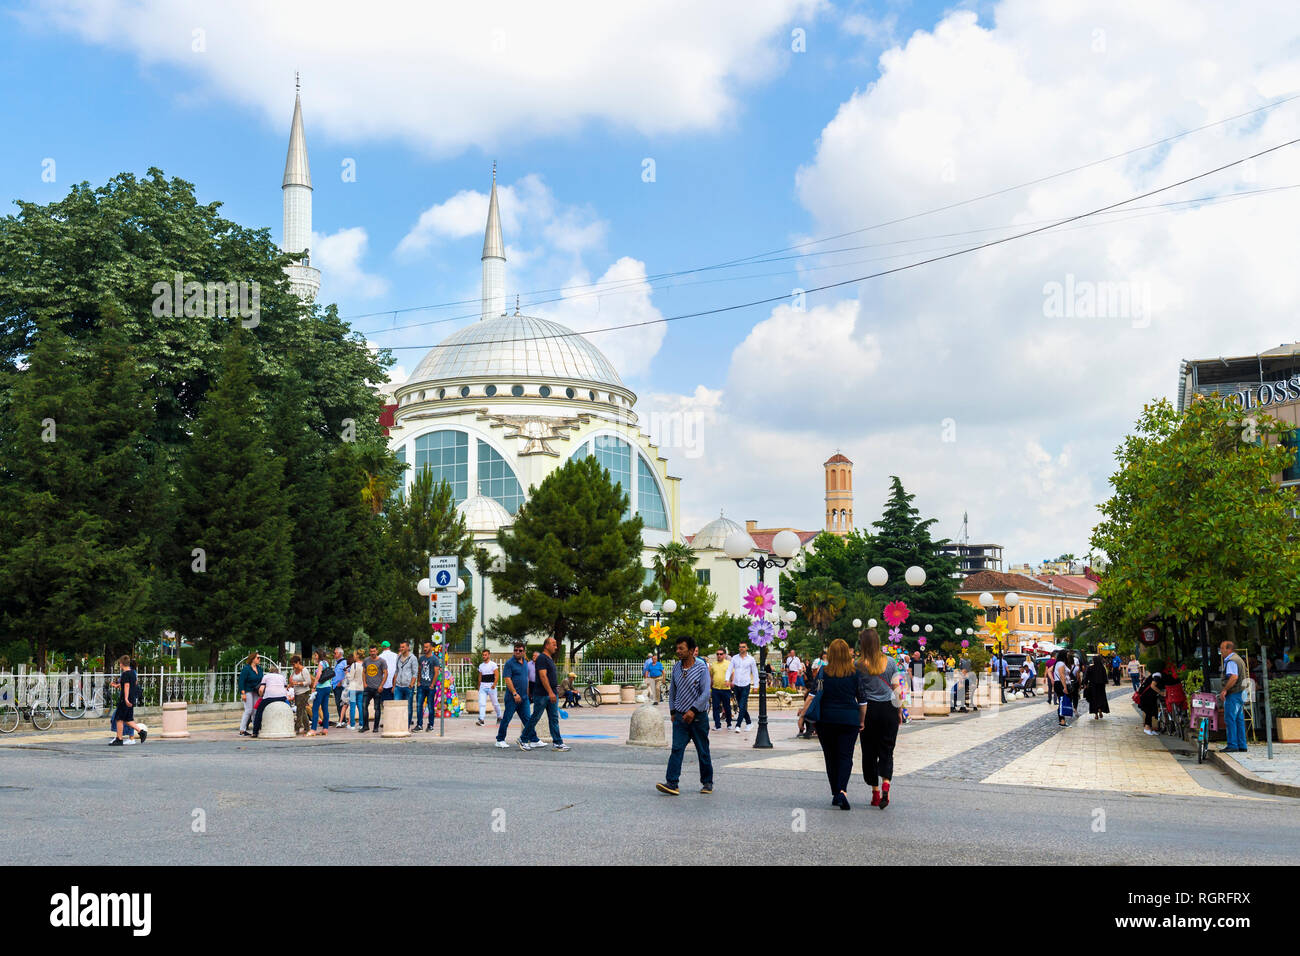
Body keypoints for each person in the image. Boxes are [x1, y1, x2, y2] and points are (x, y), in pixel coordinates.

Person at [800, 638, 865, 809]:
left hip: (826, 720)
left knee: (830, 757)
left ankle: (835, 792)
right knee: (845, 756)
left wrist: (803, 714)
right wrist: (862, 720)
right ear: (846, 653)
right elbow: (862, 699)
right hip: (849, 719)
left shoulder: (823, 672)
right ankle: (842, 790)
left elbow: (814, 693)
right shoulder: (855, 673)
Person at [656, 634, 714, 796]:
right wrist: (673, 711)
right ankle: (672, 783)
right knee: (676, 749)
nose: (678, 651)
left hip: (698, 717)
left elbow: (705, 693)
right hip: (681, 717)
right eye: (677, 648)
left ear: (691, 650)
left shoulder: (702, 668)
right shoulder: (676, 667)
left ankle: (707, 782)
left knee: (703, 750)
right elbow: (673, 691)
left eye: (681, 648)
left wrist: (693, 710)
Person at [857, 629, 902, 809]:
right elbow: (897, 688)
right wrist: (899, 711)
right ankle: (886, 784)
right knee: (887, 749)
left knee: (869, 751)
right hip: (889, 709)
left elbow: (857, 691)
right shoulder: (891, 662)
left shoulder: (858, 664)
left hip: (868, 711)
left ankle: (875, 792)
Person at [521, 637, 568, 751]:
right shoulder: (542, 658)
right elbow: (542, 676)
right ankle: (523, 739)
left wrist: (554, 691)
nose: (556, 647)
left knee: (553, 718)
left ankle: (557, 742)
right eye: (553, 644)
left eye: (556, 645)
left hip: (551, 693)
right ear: (546, 645)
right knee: (535, 717)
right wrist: (550, 692)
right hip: (543, 694)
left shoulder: (549, 658)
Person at [496, 642, 532, 748]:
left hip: (524, 698)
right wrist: (515, 693)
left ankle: (534, 739)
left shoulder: (525, 663)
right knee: (507, 718)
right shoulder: (509, 663)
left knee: (527, 719)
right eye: (515, 650)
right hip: (512, 697)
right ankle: (500, 739)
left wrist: (528, 694)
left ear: (524, 652)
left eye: (520, 650)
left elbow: (527, 679)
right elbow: (507, 679)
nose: (517, 652)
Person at [108, 655, 147, 746]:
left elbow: (127, 686)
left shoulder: (125, 674)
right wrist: (116, 685)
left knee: (119, 718)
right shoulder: (133, 673)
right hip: (132, 698)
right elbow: (129, 684)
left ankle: (119, 739)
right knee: (128, 719)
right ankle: (141, 732)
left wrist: (125, 698)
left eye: (119, 664)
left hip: (125, 700)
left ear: (121, 664)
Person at [1218, 640, 1248, 753]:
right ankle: (1242, 745)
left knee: (1230, 719)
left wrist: (1225, 690)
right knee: (1239, 719)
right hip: (1241, 692)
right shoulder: (1239, 659)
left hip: (1234, 693)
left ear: (1229, 649)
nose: (1221, 651)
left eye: (1222, 648)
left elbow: (1234, 677)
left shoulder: (1231, 661)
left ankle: (1232, 745)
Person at [725, 642, 758, 733]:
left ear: (747, 648)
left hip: (746, 685)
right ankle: (749, 723)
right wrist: (727, 679)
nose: (741, 649)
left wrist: (756, 685)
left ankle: (738, 725)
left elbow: (755, 673)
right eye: (740, 647)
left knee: (742, 705)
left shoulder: (751, 659)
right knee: (741, 705)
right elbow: (729, 669)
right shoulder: (734, 658)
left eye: (743, 647)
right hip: (736, 685)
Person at [251, 664, 289, 737]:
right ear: (277, 672)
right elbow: (285, 688)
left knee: (259, 711)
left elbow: (261, 689)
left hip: (269, 697)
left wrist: (261, 696)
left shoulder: (266, 676)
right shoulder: (282, 677)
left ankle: (255, 732)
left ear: (270, 671)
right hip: (282, 697)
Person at [358, 645, 387, 734]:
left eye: (374, 651)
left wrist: (381, 685)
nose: (372, 653)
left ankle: (375, 727)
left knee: (377, 708)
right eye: (371, 651)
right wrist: (364, 683)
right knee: (363, 706)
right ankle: (365, 726)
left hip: (377, 688)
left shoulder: (382, 661)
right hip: (368, 688)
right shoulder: (366, 660)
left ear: (377, 651)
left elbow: (385, 673)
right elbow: (364, 672)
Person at [393, 641, 418, 730]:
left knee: (408, 707)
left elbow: (415, 673)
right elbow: (396, 671)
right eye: (401, 647)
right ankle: (397, 725)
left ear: (408, 647)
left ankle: (406, 726)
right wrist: (394, 685)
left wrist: (411, 684)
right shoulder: (398, 657)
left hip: (408, 686)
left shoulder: (413, 658)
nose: (401, 649)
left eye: (403, 647)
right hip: (398, 686)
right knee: (397, 706)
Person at [238, 651, 264, 736]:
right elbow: (241, 681)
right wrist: (243, 693)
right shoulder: (246, 669)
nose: (259, 659)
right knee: (248, 710)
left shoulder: (259, 668)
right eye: (258, 658)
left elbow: (262, 680)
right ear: (253, 659)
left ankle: (255, 728)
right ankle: (242, 730)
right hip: (248, 691)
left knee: (255, 710)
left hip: (256, 692)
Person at [415, 642, 438, 731]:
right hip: (421, 686)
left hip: (430, 687)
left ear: (431, 648)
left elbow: (436, 673)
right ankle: (419, 725)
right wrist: (418, 681)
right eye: (424, 647)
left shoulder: (434, 659)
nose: (425, 649)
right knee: (419, 705)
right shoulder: (421, 659)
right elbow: (419, 670)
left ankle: (430, 725)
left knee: (430, 706)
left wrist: (432, 684)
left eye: (427, 647)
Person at [708, 647, 732, 730]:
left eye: (721, 654)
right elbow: (711, 676)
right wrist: (710, 686)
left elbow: (732, 674)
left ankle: (729, 723)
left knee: (727, 707)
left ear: (724, 655)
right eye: (717, 654)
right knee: (715, 707)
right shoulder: (713, 664)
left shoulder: (729, 664)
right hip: (715, 689)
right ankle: (717, 725)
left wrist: (731, 682)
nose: (719, 655)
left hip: (726, 689)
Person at [796, 657, 821, 739]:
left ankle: (809, 730)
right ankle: (808, 730)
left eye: (814, 671)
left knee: (807, 712)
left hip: (821, 712)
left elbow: (812, 697)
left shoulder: (820, 680)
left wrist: (802, 713)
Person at [310, 649, 333, 735]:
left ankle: (313, 729)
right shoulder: (326, 662)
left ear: (319, 655)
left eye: (315, 655)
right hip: (327, 687)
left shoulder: (320, 663)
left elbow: (318, 675)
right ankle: (325, 729)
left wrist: (314, 686)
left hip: (321, 688)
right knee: (325, 708)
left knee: (315, 708)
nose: (315, 657)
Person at [476, 649, 500, 727]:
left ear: (489, 655)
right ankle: (481, 719)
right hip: (483, 686)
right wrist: (479, 686)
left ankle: (499, 716)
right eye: (483, 655)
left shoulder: (493, 664)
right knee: (482, 703)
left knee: (495, 703)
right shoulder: (481, 666)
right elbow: (480, 676)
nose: (484, 656)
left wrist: (494, 684)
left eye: (485, 655)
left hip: (491, 686)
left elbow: (497, 675)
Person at [288, 655, 311, 736]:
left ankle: (296, 728)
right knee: (302, 710)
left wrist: (298, 683)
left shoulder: (304, 670)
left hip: (304, 692)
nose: (293, 666)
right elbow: (291, 680)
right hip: (297, 692)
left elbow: (308, 682)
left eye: (294, 664)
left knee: (299, 710)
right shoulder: (294, 671)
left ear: (298, 662)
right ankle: (307, 727)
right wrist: (289, 685)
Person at [1084, 654, 1110, 719]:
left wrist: (1085, 684)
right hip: (1101, 686)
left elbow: (1086, 677)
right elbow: (1105, 678)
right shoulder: (1102, 668)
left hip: (1093, 686)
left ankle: (1096, 714)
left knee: (1094, 700)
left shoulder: (1090, 668)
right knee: (1101, 699)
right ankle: (1100, 710)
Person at [1053, 650, 1072, 727]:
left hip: (1059, 683)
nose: (1068, 656)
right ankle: (1062, 720)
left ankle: (1062, 720)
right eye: (1067, 655)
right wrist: (1064, 687)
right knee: (1062, 701)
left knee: (1062, 701)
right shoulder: (1060, 663)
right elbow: (1062, 676)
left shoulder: (1059, 663)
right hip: (1060, 684)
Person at [346, 650, 365, 729]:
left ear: (357, 656)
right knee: (360, 706)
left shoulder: (354, 665)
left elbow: (350, 678)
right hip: (361, 688)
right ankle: (361, 724)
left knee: (353, 707)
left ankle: (352, 725)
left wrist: (346, 672)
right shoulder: (364, 664)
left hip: (353, 688)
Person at [332, 647, 348, 724]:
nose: (334, 654)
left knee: (340, 703)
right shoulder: (337, 662)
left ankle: (343, 720)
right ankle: (341, 719)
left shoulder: (344, 662)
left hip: (340, 686)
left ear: (340, 654)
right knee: (338, 704)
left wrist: (341, 682)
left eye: (335, 653)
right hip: (335, 686)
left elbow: (348, 673)